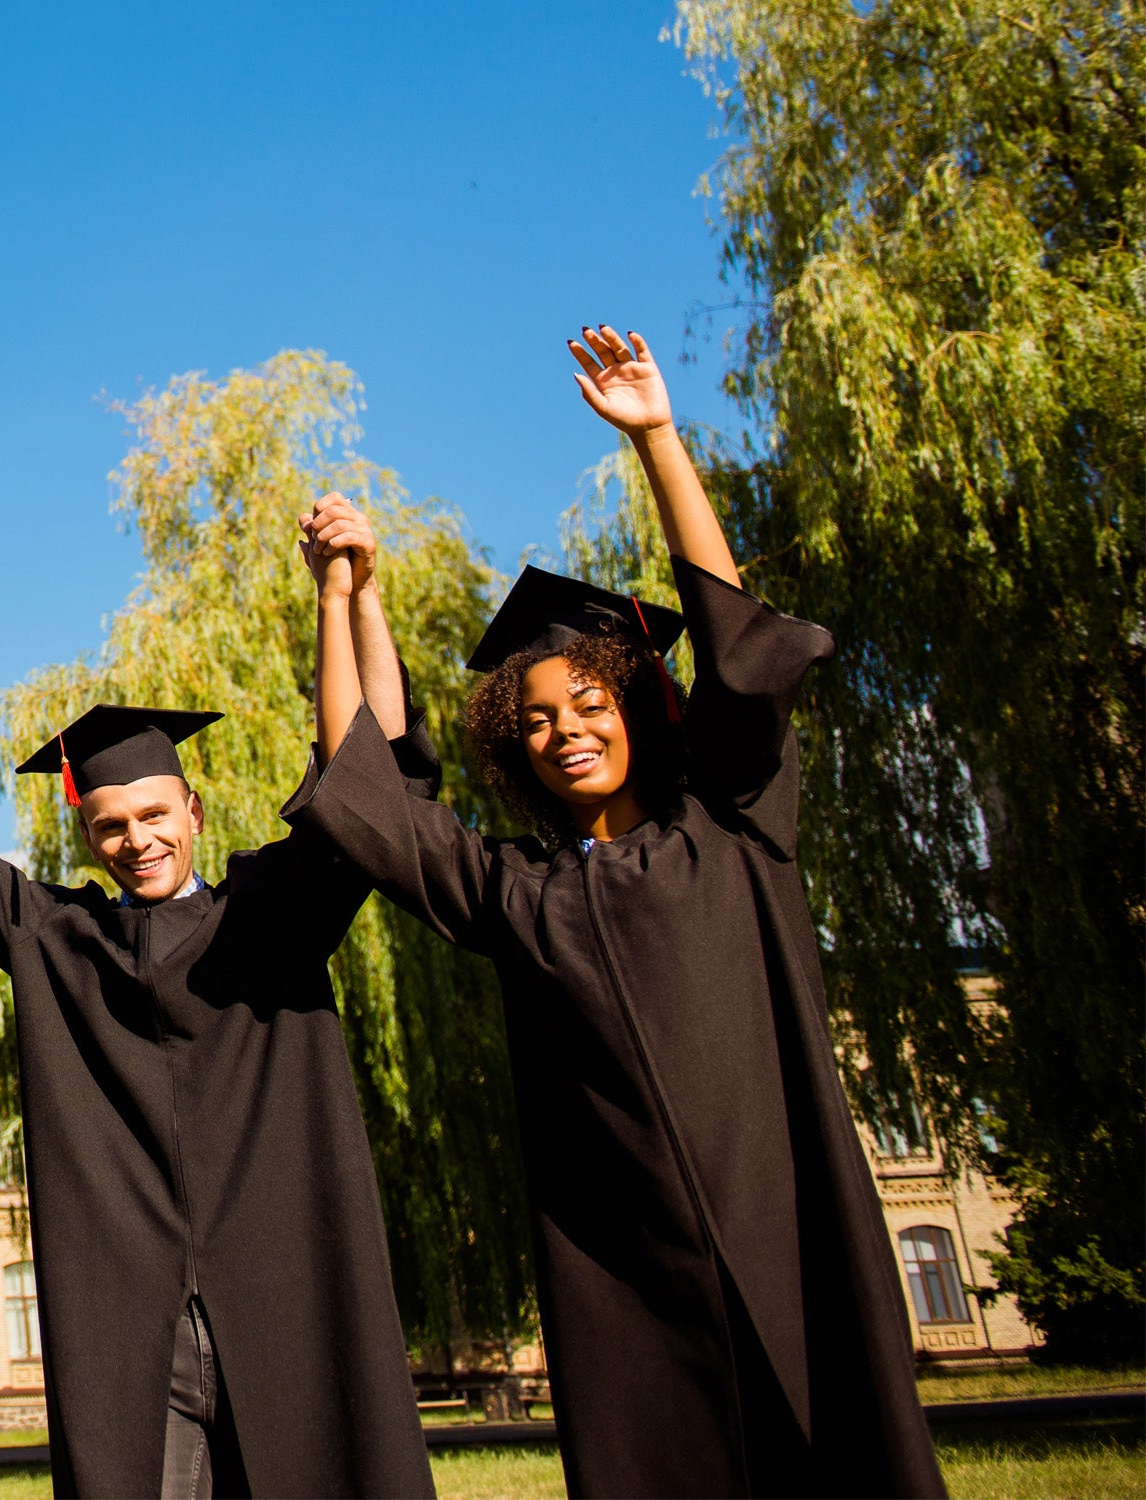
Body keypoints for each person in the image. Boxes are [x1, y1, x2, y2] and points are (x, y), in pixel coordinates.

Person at [284, 325, 944, 1497]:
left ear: (640, 707)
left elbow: (740, 654)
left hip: (789, 1228)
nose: (566, 731)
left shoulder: (733, 826)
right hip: (626, 1279)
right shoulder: (513, 892)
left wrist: (656, 441)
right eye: (537, 718)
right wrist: (346, 597)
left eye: (590, 703)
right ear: (514, 743)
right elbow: (366, 792)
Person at [0, 549, 438, 1497]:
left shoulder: (274, 911)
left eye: (154, 815)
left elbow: (372, 781)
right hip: (133, 1322)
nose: (137, 839)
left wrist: (348, 595)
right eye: (110, 825)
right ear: (87, 835)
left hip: (286, 1289)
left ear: (194, 810)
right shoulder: (60, 939)